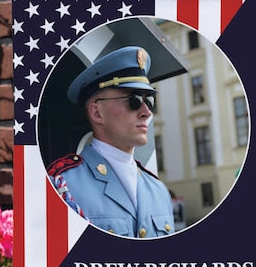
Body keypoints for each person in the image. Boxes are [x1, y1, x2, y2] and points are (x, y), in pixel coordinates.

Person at [47, 46, 175, 238]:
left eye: (149, 101)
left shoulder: (159, 191)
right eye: (134, 100)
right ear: (97, 113)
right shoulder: (62, 185)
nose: (146, 112)